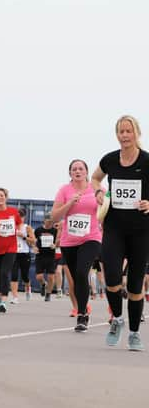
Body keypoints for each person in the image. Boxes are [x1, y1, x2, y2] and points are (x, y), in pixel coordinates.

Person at [92, 115, 149, 351]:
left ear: (136, 133)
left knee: (135, 286)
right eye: (121, 132)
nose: (125, 135)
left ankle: (134, 333)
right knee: (112, 277)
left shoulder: (146, 160)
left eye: (129, 131)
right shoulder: (110, 159)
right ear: (117, 135)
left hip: (141, 230)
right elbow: (95, 178)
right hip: (114, 227)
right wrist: (98, 192)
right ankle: (117, 319)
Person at [51, 159, 102, 332]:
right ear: (70, 173)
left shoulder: (97, 188)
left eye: (81, 168)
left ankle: (81, 314)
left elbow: (109, 207)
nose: (77, 171)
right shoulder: (64, 190)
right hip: (69, 241)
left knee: (82, 272)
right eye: (74, 169)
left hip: (91, 238)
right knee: (76, 279)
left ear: (87, 172)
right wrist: (69, 203)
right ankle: (83, 309)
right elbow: (55, 217)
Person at [12, 207, 35, 303]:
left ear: (24, 217)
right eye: (17, 216)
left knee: (25, 275)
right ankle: (15, 297)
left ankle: (28, 288)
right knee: (14, 275)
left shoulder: (27, 227)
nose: (19, 218)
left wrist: (24, 237)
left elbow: (33, 241)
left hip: (24, 253)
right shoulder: (12, 226)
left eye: (21, 216)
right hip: (13, 253)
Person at [34, 213, 58, 302]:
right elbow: (33, 241)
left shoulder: (55, 231)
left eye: (51, 222)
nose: (49, 223)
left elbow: (59, 241)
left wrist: (55, 245)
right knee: (39, 277)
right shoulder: (38, 230)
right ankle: (43, 284)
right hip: (40, 255)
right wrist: (34, 247)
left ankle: (48, 294)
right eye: (48, 221)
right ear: (44, 221)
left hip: (51, 256)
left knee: (51, 277)